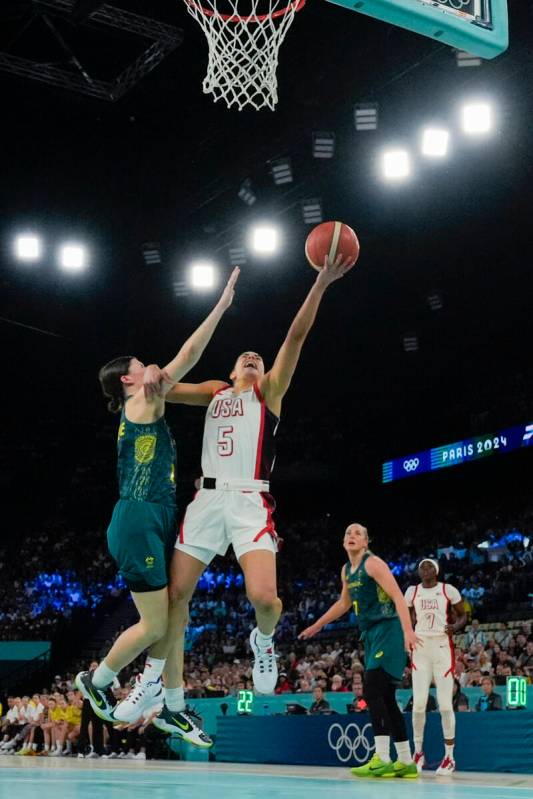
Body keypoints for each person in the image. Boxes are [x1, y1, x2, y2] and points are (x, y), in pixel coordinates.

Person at [141, 254, 352, 738]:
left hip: (250, 501)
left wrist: (319, 283)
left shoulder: (269, 393)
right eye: (246, 357)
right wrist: (152, 374)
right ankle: (164, 690)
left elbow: (294, 337)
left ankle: (263, 640)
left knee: (265, 599)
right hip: (206, 502)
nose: (254, 357)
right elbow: (167, 389)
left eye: (258, 357)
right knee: (175, 598)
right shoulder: (216, 392)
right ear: (234, 370)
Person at [75, 269, 239, 747]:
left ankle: (171, 705)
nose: (153, 367)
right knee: (157, 623)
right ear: (129, 378)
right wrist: (222, 306)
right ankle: (98, 680)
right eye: (143, 363)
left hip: (154, 515)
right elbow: (188, 356)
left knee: (173, 614)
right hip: (139, 518)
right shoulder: (142, 399)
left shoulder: (144, 403)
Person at [299, 523, 420, 779]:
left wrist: (408, 632)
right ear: (343, 542)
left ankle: (383, 758)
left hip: (388, 630)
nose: (351, 536)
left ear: (366, 542)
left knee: (372, 689)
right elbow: (344, 603)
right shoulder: (346, 570)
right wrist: (317, 625)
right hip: (371, 635)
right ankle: (406, 761)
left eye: (357, 533)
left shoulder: (373, 564)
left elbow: (399, 597)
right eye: (347, 533)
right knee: (386, 697)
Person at [404, 558, 466, 775]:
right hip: (420, 649)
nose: (425, 569)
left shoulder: (448, 590)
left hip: (441, 647)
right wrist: (408, 632)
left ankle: (449, 757)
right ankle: (418, 752)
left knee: (445, 705)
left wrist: (455, 626)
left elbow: (464, 615)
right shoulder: (411, 592)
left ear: (437, 571)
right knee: (418, 704)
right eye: (422, 566)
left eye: (429, 566)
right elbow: (407, 616)